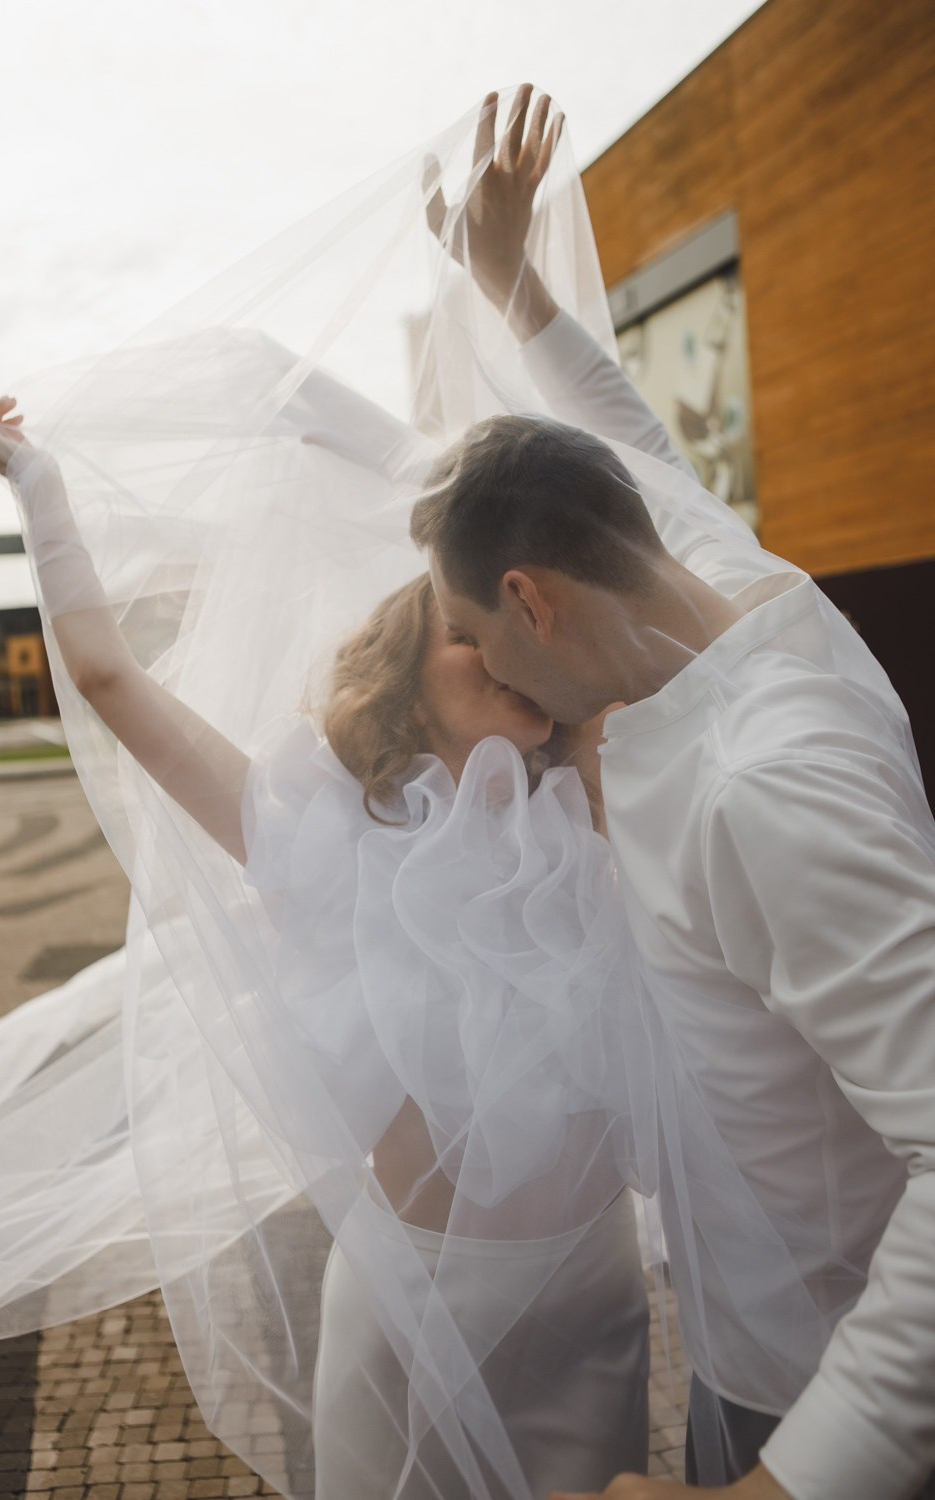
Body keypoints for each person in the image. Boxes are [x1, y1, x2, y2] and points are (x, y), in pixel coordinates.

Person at [0, 385, 652, 1500]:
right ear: (405, 673)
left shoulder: (580, 805)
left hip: (594, 1294)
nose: (502, 644)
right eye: (463, 629)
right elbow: (107, 678)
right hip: (423, 1307)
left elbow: (595, 519)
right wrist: (39, 489)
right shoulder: (312, 840)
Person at [412, 88, 935, 1500]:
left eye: (472, 634)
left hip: (821, 1388)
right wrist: (509, 282)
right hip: (737, 1336)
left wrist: (786, 1488)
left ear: (531, 598)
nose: (478, 673)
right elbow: (619, 430)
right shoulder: (732, 586)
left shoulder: (764, 788)